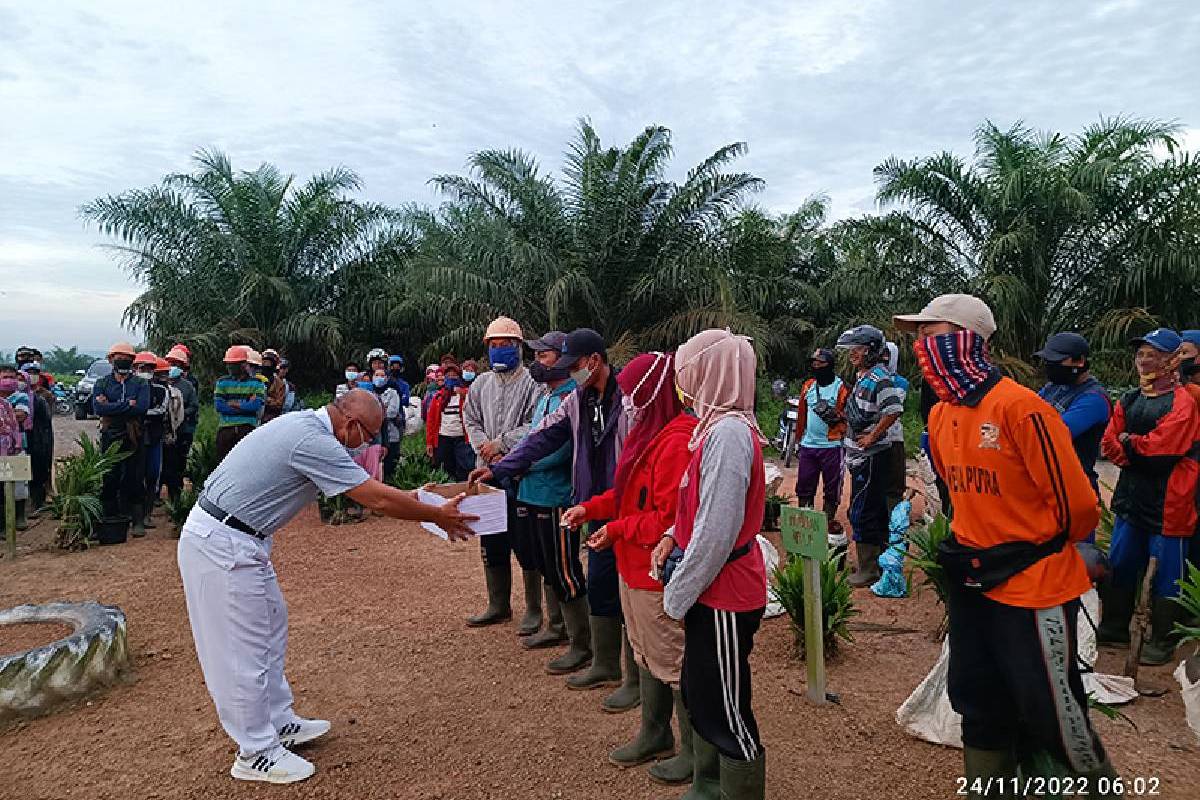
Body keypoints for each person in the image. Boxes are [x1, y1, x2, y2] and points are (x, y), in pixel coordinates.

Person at [177, 389, 478, 784]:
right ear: (351, 424)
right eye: (367, 436)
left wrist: (427, 501)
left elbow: (375, 492)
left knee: (270, 627)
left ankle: (277, 721)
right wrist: (435, 515)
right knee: (240, 649)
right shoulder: (313, 440)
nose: (366, 445)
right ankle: (255, 751)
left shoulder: (308, 429)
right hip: (223, 543)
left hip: (241, 539)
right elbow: (375, 499)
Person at [893, 294, 1116, 793]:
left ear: (969, 340)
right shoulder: (942, 415)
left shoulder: (1021, 408)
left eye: (932, 335)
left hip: (1033, 585)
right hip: (974, 581)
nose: (922, 348)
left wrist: (1035, 544)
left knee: (1052, 706)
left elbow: (1079, 504)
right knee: (975, 694)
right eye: (918, 339)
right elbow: (958, 496)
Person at [470, 328, 637, 709]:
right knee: (599, 579)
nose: (566, 371)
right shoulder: (577, 399)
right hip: (593, 503)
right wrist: (500, 469)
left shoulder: (628, 400)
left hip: (626, 504)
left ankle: (634, 677)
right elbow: (541, 437)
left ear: (593, 361)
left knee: (629, 586)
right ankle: (606, 663)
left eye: (572, 365)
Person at [565, 351, 698, 785]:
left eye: (631, 393)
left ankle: (693, 751)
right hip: (634, 566)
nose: (625, 402)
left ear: (651, 392)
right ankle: (654, 733)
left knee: (672, 660)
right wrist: (592, 508)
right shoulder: (648, 431)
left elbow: (666, 519)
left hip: (655, 570)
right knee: (645, 653)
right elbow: (624, 494)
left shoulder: (676, 440)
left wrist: (617, 527)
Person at [650, 329, 768, 800]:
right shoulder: (715, 429)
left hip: (724, 593)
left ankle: (737, 790)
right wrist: (670, 537)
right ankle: (710, 786)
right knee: (705, 692)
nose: (684, 381)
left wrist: (677, 596)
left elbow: (718, 533)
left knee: (726, 708)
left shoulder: (729, 436)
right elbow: (699, 511)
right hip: (714, 590)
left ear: (711, 373)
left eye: (691, 370)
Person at [1097, 328, 1200, 665]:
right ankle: (1114, 626)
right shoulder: (1128, 398)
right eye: (1141, 353)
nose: (1145, 360)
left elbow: (1163, 451)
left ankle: (1163, 639)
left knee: (1169, 570)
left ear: (1172, 360)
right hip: (1131, 495)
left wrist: (1132, 445)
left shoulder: (1184, 402)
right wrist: (1132, 448)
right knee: (1122, 560)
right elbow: (1110, 443)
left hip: (1171, 499)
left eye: (1153, 353)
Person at [508, 333, 587, 669]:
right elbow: (530, 439)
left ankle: (582, 643)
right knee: (544, 563)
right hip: (531, 491)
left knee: (564, 568)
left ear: (565, 360)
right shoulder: (545, 397)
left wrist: (524, 463)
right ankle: (557, 627)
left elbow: (562, 449)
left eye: (545, 356)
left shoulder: (573, 398)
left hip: (556, 494)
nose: (537, 363)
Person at [461, 317, 542, 631]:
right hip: (487, 471)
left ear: (518, 347)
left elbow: (536, 424)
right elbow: (470, 417)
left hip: (521, 471)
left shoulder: (533, 383)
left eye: (504, 345)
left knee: (525, 542)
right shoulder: (481, 384)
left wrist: (502, 444)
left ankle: (534, 609)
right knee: (491, 539)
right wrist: (483, 445)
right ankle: (498, 604)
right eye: (493, 346)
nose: (498, 351)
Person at [837, 325, 904, 588]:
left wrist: (873, 436)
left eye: (859, 349)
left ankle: (868, 569)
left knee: (865, 510)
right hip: (859, 456)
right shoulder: (863, 377)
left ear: (872, 351)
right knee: (862, 507)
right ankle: (871, 563)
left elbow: (894, 409)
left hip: (872, 456)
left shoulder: (880, 379)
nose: (853, 354)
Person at [793, 347, 850, 548]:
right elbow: (802, 413)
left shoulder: (841, 388)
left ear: (830, 365)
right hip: (809, 445)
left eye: (821, 363)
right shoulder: (808, 386)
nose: (816, 366)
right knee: (804, 487)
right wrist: (798, 439)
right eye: (814, 363)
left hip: (832, 446)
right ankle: (805, 528)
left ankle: (825, 527)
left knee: (832, 489)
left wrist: (839, 419)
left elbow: (849, 415)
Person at [92, 342, 150, 530]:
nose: (123, 362)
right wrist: (127, 405)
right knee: (110, 476)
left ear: (133, 362)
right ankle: (110, 518)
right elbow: (98, 408)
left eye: (127, 359)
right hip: (110, 434)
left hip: (134, 434)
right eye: (119, 359)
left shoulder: (141, 383)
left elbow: (142, 407)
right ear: (110, 360)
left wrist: (112, 406)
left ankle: (138, 521)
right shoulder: (102, 383)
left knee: (135, 476)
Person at [134, 351, 169, 531]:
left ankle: (147, 515)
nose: (145, 371)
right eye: (142, 368)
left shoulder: (161, 390)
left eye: (149, 368)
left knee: (153, 475)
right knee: (135, 477)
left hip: (154, 438)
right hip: (135, 438)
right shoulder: (131, 387)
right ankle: (136, 518)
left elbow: (161, 410)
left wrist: (137, 410)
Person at [424, 360, 474, 481]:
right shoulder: (438, 397)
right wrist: (430, 443)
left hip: (462, 438)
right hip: (443, 438)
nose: (451, 378)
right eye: (448, 376)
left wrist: (463, 393)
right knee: (445, 469)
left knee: (465, 469)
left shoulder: (466, 394)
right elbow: (431, 422)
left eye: (454, 375)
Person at [162, 348, 200, 506]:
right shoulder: (161, 384)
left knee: (178, 463)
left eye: (176, 364)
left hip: (183, 430)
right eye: (170, 363)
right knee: (164, 463)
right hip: (165, 432)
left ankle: (175, 497)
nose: (172, 366)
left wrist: (180, 413)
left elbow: (194, 406)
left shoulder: (188, 386)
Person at [214, 346, 264, 462]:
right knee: (223, 463)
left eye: (235, 364)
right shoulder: (222, 382)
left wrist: (234, 404)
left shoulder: (257, 383)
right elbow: (219, 406)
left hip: (247, 428)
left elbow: (255, 406)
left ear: (244, 365)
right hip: (226, 429)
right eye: (229, 364)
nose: (231, 368)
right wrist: (244, 406)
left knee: (247, 462)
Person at [19, 362, 54, 516]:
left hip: (37, 439)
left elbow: (45, 423)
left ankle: (37, 503)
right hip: (19, 439)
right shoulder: (13, 398)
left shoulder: (40, 398)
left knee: (37, 471)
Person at [882, 342, 910, 512]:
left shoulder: (901, 382)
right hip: (871, 438)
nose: (884, 358)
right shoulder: (866, 378)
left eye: (887, 355)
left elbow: (893, 409)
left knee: (895, 479)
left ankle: (894, 516)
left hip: (893, 437)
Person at [260, 349, 287, 424]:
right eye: (264, 362)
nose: (266, 365)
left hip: (270, 419)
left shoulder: (280, 383)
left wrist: (266, 400)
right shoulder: (255, 379)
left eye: (268, 363)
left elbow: (279, 404)